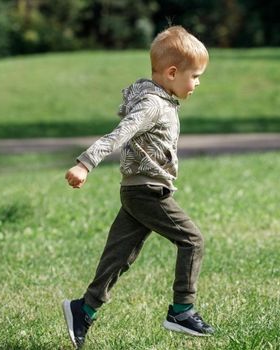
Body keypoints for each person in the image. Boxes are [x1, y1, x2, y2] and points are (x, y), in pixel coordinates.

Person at [62, 25, 214, 349]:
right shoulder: (152, 105)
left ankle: (83, 309)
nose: (198, 83)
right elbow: (120, 133)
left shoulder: (161, 99)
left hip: (137, 191)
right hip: (146, 192)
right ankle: (182, 311)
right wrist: (85, 163)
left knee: (119, 256)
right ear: (172, 72)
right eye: (196, 76)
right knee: (192, 240)